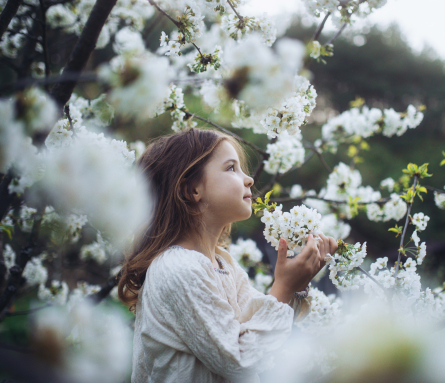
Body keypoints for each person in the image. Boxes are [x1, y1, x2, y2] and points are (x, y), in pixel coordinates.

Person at [118, 128, 337, 383]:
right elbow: (240, 358)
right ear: (192, 190)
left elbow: (256, 333)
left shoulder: (224, 265)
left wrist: (297, 282)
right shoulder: (177, 269)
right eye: (231, 168)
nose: (249, 180)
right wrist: (284, 286)